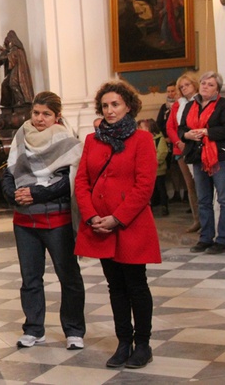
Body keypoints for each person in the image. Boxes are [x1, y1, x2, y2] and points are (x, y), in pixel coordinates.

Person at [75, 80, 160, 370]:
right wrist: (91, 216)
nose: (109, 110)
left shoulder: (142, 139)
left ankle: (143, 344)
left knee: (136, 284)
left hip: (130, 224)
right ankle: (123, 342)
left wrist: (117, 218)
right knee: (115, 286)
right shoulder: (92, 140)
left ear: (128, 106)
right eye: (105, 105)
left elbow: (144, 186)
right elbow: (82, 181)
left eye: (115, 104)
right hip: (100, 224)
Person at [1, 91, 86, 350]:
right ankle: (34, 329)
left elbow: (68, 181)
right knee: (30, 278)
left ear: (56, 116)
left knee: (68, 276)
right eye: (36, 113)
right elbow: (8, 171)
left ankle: (73, 330)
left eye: (46, 114)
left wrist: (35, 192)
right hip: (24, 220)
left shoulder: (66, 140)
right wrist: (12, 194)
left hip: (56, 217)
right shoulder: (21, 135)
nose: (39, 118)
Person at [179, 71, 225, 255]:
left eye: (210, 84)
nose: (205, 86)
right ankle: (205, 238)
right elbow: (181, 127)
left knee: (223, 199)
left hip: (218, 157)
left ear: (217, 89)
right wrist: (187, 135)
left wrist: (207, 132)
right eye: (204, 83)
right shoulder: (191, 105)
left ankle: (222, 239)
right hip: (197, 157)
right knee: (203, 200)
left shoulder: (223, 105)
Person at [167, 71, 201, 232]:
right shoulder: (177, 105)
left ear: (194, 85)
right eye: (181, 87)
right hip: (181, 148)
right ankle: (197, 219)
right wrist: (179, 142)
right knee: (191, 185)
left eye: (187, 85)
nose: (184, 88)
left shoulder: (202, 101)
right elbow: (170, 127)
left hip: (199, 147)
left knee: (204, 185)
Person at [0, 30, 34, 107]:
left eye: (8, 40)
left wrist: (3, 55)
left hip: (18, 71)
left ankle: (21, 101)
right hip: (12, 71)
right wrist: (2, 55)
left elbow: (11, 57)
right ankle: (8, 103)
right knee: (5, 84)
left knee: (13, 83)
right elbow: (6, 57)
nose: (7, 43)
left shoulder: (17, 49)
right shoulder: (10, 50)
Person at [138, 119, 169, 216]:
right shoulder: (141, 139)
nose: (139, 129)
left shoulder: (159, 139)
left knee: (161, 188)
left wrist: (153, 162)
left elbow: (162, 152)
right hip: (147, 170)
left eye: (142, 127)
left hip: (158, 169)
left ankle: (164, 206)